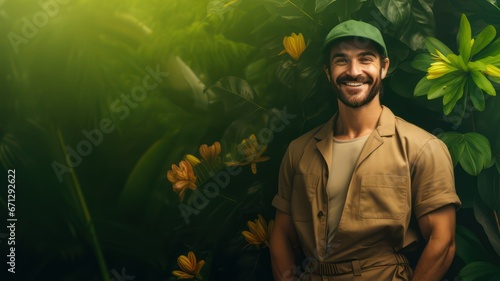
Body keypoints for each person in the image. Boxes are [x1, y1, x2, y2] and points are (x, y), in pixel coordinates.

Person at [269, 20, 462, 281]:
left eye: (365, 59)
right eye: (341, 61)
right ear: (328, 71)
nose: (353, 71)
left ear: (384, 67)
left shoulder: (423, 147)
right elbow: (281, 234)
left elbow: (443, 241)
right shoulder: (299, 151)